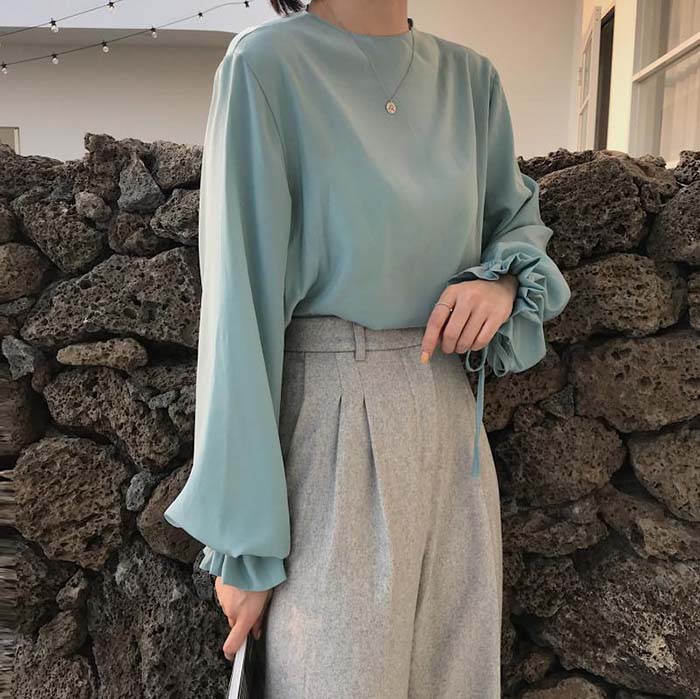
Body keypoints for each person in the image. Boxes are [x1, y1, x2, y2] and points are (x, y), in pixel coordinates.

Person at [164, 0, 571, 696]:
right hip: (331, 426)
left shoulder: (471, 81)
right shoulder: (265, 65)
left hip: (452, 428)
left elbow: (516, 221)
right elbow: (240, 305)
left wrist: (502, 282)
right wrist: (245, 544)